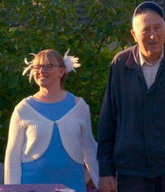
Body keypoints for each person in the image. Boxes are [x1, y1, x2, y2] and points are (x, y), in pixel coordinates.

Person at [97, 1, 165, 192]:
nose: (153, 35)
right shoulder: (121, 64)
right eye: (145, 29)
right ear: (134, 35)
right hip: (131, 173)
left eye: (158, 28)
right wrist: (105, 170)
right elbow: (108, 119)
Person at [4, 49, 99, 192]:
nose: (41, 71)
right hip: (32, 186)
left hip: (73, 183)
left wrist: (101, 181)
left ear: (62, 71)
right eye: (37, 67)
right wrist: (12, 189)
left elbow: (90, 148)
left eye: (48, 66)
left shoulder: (79, 106)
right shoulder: (23, 109)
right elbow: (13, 155)